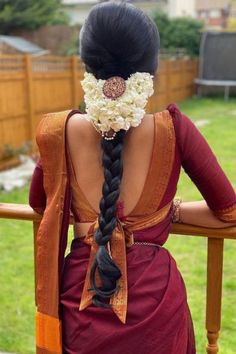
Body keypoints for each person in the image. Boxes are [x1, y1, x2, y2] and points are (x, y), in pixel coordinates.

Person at [29, 2, 236, 354]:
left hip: (81, 303)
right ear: (151, 66)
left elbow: (40, 204)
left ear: (87, 63)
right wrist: (166, 213)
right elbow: (229, 212)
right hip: (156, 307)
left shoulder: (57, 132)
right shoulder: (174, 129)